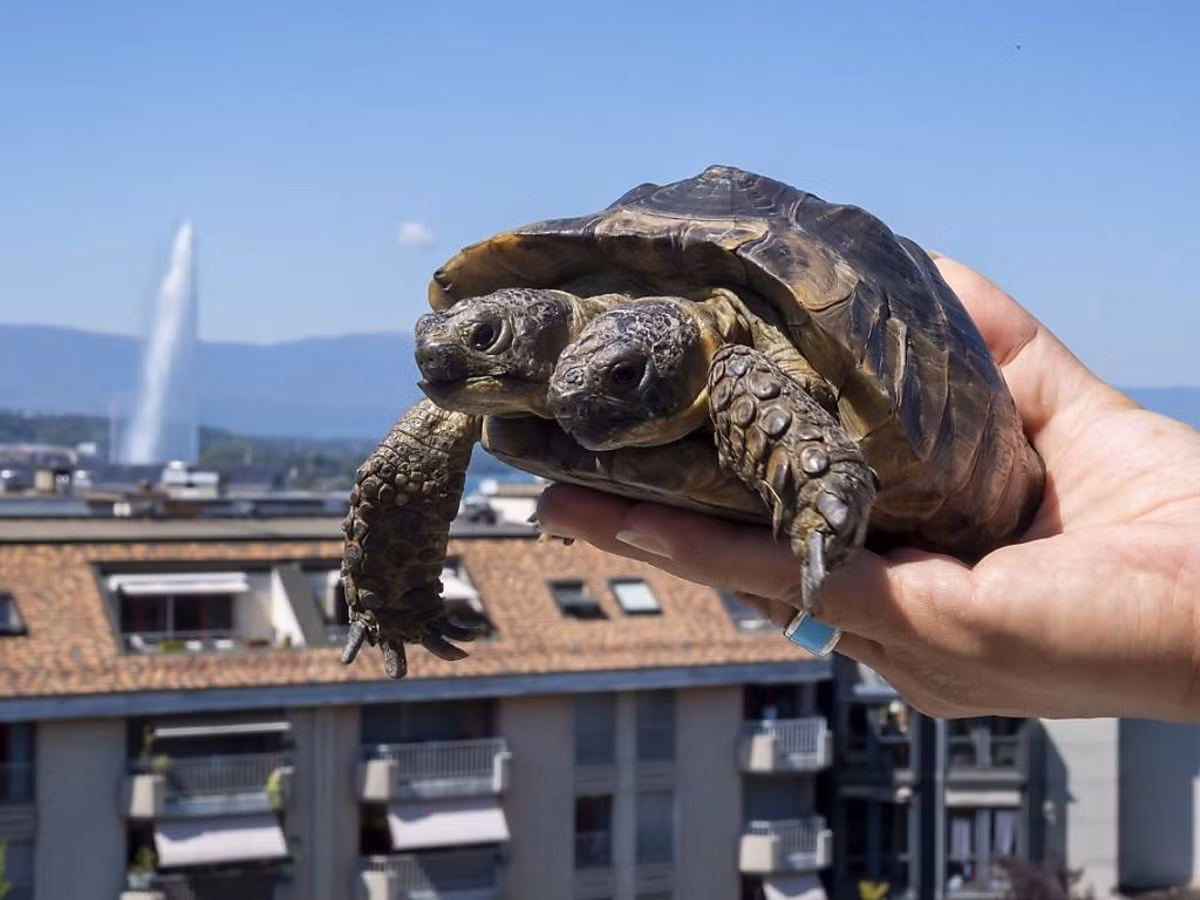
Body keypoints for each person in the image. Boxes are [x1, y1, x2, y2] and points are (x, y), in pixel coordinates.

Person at [535, 255, 1200, 723]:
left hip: (942, 489)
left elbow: (741, 366)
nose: (573, 404)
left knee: (741, 375)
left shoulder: (738, 361)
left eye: (623, 378)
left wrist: (1178, 640)